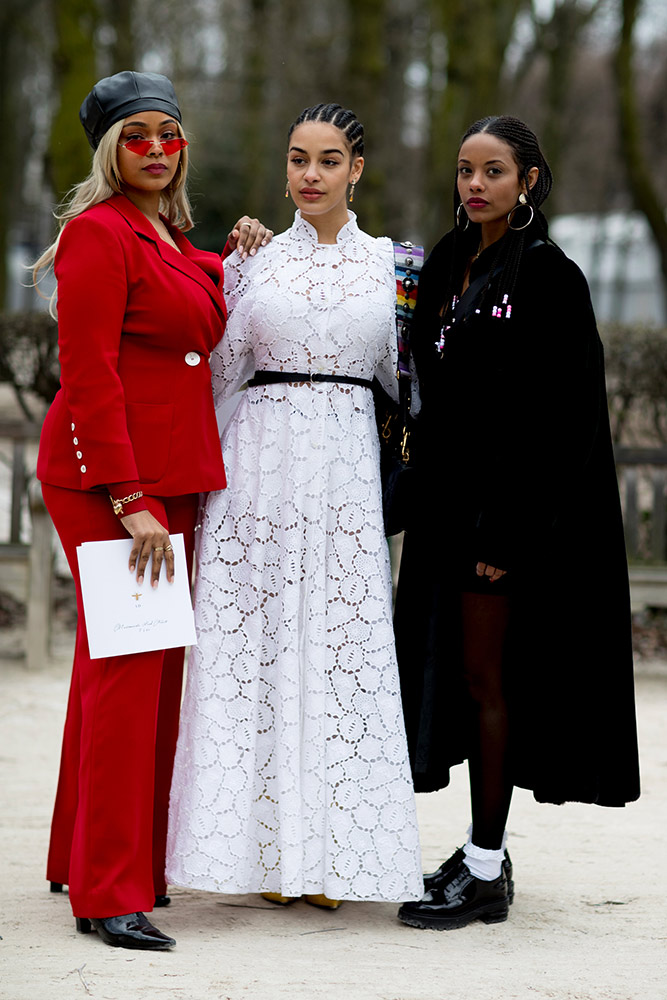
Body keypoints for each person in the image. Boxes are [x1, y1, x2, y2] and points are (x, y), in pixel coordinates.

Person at [34, 70, 270, 950]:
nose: (159, 149)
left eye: (170, 133)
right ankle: (107, 890)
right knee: (132, 671)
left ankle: (87, 853)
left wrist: (242, 250)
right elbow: (88, 373)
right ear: (109, 149)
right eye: (138, 135)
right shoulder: (98, 233)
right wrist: (130, 501)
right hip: (111, 481)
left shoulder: (161, 237)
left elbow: (198, 292)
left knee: (135, 668)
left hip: (167, 476)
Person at [166, 103, 423, 907]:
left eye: (327, 159)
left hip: (344, 475)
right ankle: (259, 858)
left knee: (341, 652)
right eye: (296, 158)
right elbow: (215, 373)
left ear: (356, 169)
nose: (309, 174)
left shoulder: (396, 266)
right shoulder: (250, 262)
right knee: (254, 651)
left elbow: (408, 385)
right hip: (256, 476)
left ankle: (331, 862)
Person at [394, 115, 641, 931]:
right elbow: (419, 390)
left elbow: (564, 424)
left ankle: (488, 869)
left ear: (527, 180)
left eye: (492, 171)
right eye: (464, 169)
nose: (474, 185)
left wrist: (506, 535)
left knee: (486, 682)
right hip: (441, 514)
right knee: (453, 684)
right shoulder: (441, 263)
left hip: (503, 521)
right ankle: (473, 856)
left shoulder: (548, 276)